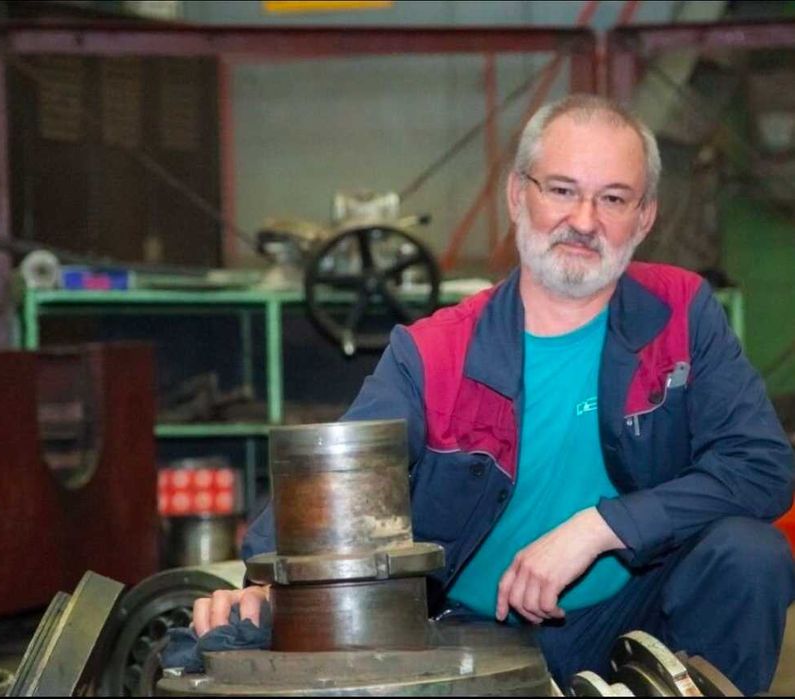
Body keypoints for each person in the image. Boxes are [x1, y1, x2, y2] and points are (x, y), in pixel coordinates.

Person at [194, 94, 795, 694]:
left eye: (613, 199)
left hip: (636, 610)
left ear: (644, 218)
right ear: (516, 195)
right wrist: (267, 579)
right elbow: (338, 475)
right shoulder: (433, 354)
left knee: (750, 555)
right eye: (561, 190)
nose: (585, 221)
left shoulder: (681, 312)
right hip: (480, 635)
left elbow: (763, 466)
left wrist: (601, 527)